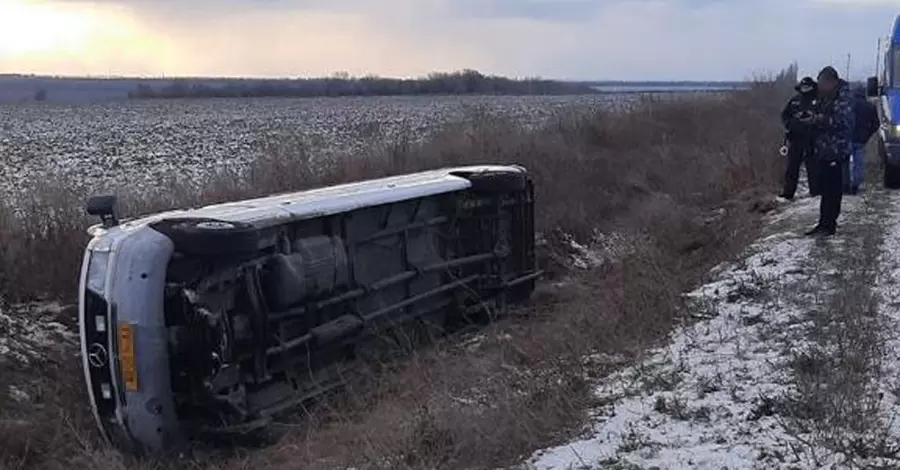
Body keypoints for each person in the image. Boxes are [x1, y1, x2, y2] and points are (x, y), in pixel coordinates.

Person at [804, 66, 855, 237]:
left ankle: (828, 225)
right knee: (825, 188)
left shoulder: (844, 97)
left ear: (830, 81)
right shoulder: (826, 97)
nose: (819, 87)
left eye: (821, 83)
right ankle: (823, 223)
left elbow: (843, 122)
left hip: (836, 149)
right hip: (825, 149)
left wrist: (819, 119)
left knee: (832, 190)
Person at [779, 76, 820, 200]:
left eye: (808, 87)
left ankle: (816, 190)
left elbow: (823, 117)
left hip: (812, 138)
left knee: (813, 166)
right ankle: (788, 192)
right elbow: (785, 115)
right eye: (803, 87)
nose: (805, 89)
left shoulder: (819, 100)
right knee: (792, 167)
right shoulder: (795, 100)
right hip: (796, 138)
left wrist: (813, 120)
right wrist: (791, 124)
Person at [846, 86, 879, 194]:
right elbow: (876, 124)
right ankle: (855, 185)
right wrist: (867, 135)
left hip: (847, 137)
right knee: (858, 163)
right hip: (861, 139)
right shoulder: (870, 106)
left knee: (846, 162)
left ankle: (845, 184)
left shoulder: (848, 104)